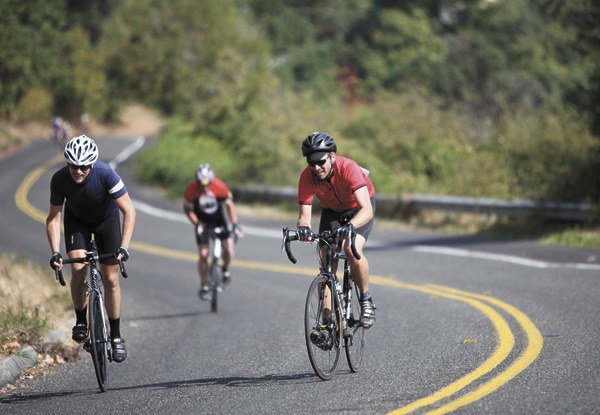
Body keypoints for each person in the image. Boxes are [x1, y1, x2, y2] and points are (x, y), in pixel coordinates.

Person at [46, 135, 136, 363]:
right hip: (78, 223)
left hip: (107, 222)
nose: (78, 171)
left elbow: (129, 211)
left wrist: (124, 247)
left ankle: (115, 336)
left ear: (92, 163)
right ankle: (81, 320)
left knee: (111, 278)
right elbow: (54, 218)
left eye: (84, 166)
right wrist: (55, 251)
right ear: (67, 164)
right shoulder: (59, 179)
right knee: (78, 268)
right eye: (73, 166)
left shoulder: (106, 174)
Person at [296, 131, 377, 331]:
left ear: (332, 156)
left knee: (351, 248)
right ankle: (325, 322)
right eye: (311, 162)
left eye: (321, 162)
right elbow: (304, 216)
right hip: (332, 210)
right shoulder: (307, 176)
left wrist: (350, 226)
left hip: (359, 208)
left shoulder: (347, 167)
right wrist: (304, 229)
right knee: (326, 259)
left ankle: (366, 300)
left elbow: (366, 210)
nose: (316, 167)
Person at [183, 163, 241, 300]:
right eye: (201, 184)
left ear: (212, 180)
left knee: (228, 250)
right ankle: (204, 285)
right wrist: (196, 223)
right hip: (202, 222)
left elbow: (230, 206)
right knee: (203, 254)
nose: (204, 187)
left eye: (207, 184)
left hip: (219, 221)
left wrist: (233, 223)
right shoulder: (191, 191)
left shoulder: (220, 187)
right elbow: (187, 209)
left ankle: (225, 270)